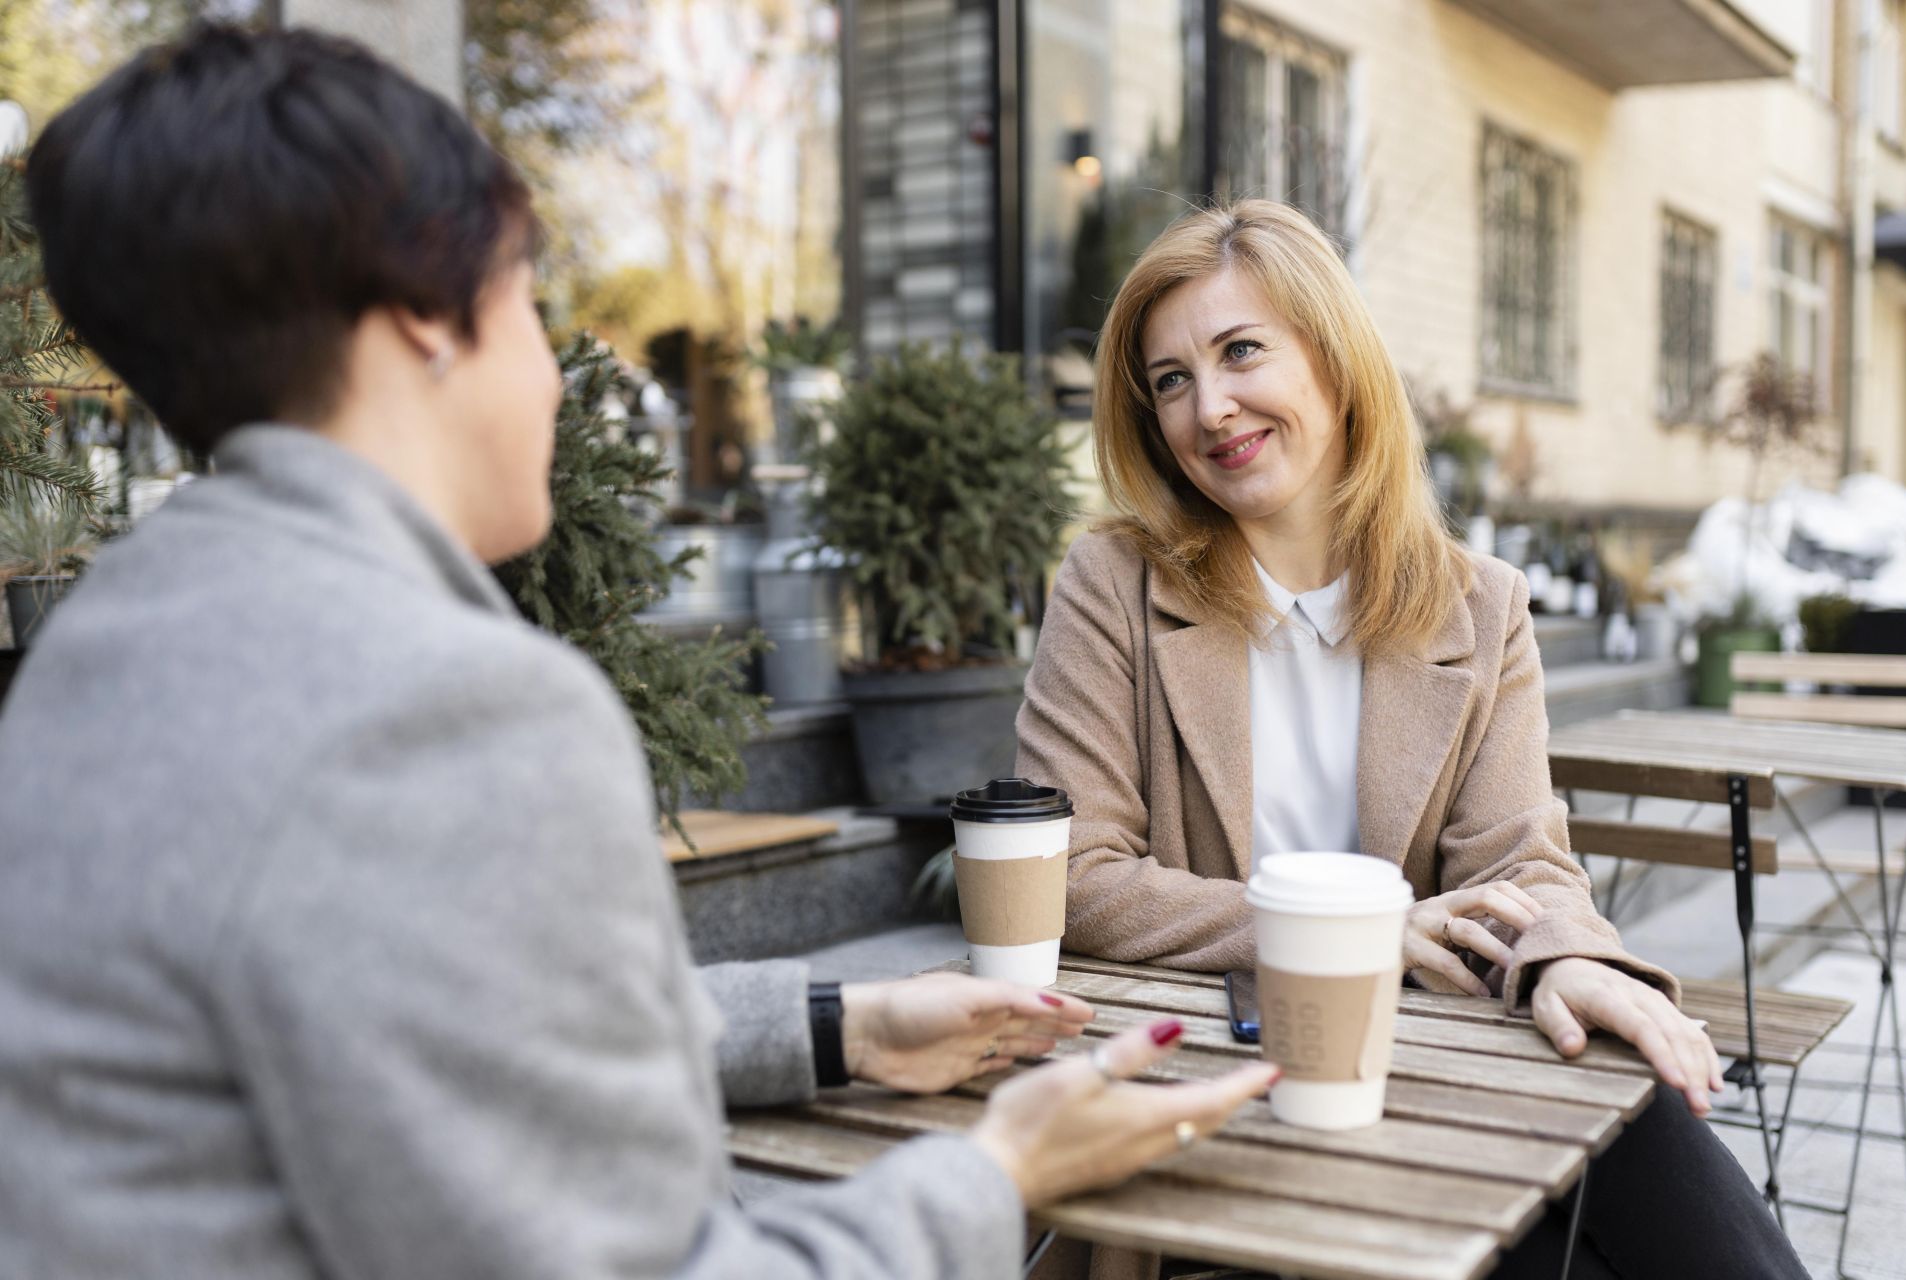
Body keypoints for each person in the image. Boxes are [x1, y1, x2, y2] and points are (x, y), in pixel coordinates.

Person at [0, 25, 1280, 1280]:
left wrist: (841, 1023)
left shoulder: (102, 646)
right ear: (425, 320)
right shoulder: (445, 706)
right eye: (529, 300)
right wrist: (997, 1175)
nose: (565, 377)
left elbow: (441, 1027)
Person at [1014, 199, 1809, 1278]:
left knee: (1625, 1098)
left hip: (1431, 1073)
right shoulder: (1113, 586)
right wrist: (1347, 932)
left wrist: (1569, 956)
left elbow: (1521, 856)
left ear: (1335, 360)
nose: (1210, 407)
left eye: (1242, 350)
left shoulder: (1479, 603)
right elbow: (1070, 876)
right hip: (1221, 1089)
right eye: (1170, 380)